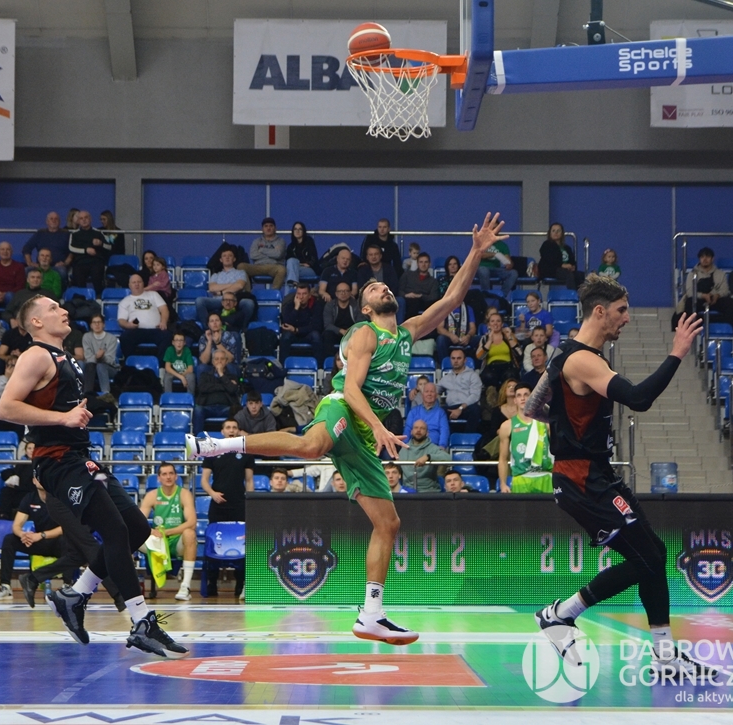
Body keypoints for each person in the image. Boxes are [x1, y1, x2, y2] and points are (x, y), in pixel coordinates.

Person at [188, 212, 508, 644]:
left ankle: (371, 614)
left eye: (385, 286)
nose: (383, 288)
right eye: (374, 289)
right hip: (344, 407)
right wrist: (379, 425)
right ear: (366, 307)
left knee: (389, 523)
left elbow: (452, 299)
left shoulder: (407, 333)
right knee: (312, 445)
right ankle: (219, 445)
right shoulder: (364, 333)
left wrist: (475, 251)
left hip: (364, 434)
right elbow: (353, 389)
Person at [526, 274, 715, 678]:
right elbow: (639, 399)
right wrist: (677, 352)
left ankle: (664, 655)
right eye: (622, 310)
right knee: (648, 557)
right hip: (582, 479)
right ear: (600, 311)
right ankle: (560, 613)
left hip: (594, 474)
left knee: (654, 555)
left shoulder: (566, 354)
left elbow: (532, 408)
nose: (627, 318)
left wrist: (563, 423)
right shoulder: (583, 360)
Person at [0, 294, 189, 658]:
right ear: (35, 322)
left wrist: (78, 413)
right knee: (115, 531)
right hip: (57, 462)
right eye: (53, 308)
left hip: (79, 457)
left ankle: (75, 595)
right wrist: (64, 418)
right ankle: (141, 621)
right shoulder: (36, 354)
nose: (63, 310)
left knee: (138, 529)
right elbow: (6, 408)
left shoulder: (66, 357)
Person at [0, 484, 87, 605]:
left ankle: (67, 586)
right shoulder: (30, 498)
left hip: (58, 541)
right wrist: (23, 535)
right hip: (38, 542)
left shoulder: (61, 496)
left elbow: (68, 526)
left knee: (70, 541)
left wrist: (42, 535)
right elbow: (16, 525)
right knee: (9, 540)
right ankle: (5, 587)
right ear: (34, 481)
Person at [199, 418, 254, 598]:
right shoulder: (212, 451)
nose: (231, 430)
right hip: (218, 506)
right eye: (228, 428)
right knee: (214, 542)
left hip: (239, 505)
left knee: (242, 543)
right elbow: (204, 481)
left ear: (238, 431)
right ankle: (212, 582)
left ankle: (240, 584)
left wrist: (250, 501)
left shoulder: (245, 452)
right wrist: (213, 494)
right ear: (222, 431)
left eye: (234, 428)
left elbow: (249, 481)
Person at [140, 462, 198, 600]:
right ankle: (127, 586)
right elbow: (138, 522)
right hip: (157, 541)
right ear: (158, 478)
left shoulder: (184, 494)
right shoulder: (152, 495)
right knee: (129, 535)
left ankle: (185, 587)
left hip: (176, 541)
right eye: (164, 474)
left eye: (171, 473)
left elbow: (192, 523)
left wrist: (167, 532)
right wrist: (151, 531)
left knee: (190, 534)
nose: (168, 477)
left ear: (176, 476)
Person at [498, 383, 552, 493]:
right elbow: (503, 459)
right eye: (519, 395)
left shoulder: (546, 423)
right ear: (515, 400)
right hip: (521, 478)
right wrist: (503, 484)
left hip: (545, 477)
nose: (522, 398)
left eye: (526, 395)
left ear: (532, 397)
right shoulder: (507, 426)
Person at [117, 274, 172, 360]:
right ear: (129, 285)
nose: (137, 284)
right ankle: (131, 363)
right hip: (136, 331)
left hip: (156, 330)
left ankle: (161, 365)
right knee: (124, 337)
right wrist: (129, 325)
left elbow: (164, 309)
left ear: (143, 283)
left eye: (139, 282)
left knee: (167, 336)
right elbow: (121, 320)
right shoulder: (125, 301)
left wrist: (163, 322)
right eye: (134, 282)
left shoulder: (153, 294)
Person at [684, 247, 733, 328]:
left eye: (708, 256)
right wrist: (703, 295)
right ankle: (692, 329)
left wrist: (717, 295)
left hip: (715, 299)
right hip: (699, 299)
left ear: (712, 259)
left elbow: (725, 290)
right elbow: (689, 292)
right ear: (699, 259)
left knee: (730, 303)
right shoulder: (692, 274)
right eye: (702, 257)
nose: (705, 259)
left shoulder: (720, 273)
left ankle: (728, 329)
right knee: (689, 302)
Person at [196, 249, 254, 327]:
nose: (227, 257)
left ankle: (242, 328)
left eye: (230, 256)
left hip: (235, 299)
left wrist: (221, 292)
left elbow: (239, 286)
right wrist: (232, 285)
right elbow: (212, 288)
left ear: (234, 259)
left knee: (249, 303)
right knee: (199, 301)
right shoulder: (215, 275)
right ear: (221, 260)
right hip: (218, 300)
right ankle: (209, 328)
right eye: (224, 256)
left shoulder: (241, 273)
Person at [194, 348, 241, 433]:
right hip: (208, 408)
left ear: (226, 361)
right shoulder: (205, 375)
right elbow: (202, 388)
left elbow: (232, 389)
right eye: (216, 359)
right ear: (213, 362)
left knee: (236, 410)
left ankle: (234, 437)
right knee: (198, 410)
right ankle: (197, 437)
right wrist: (224, 386)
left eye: (222, 359)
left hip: (226, 408)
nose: (219, 361)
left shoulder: (232, 376)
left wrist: (221, 374)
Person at [436, 349, 482, 432]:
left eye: (459, 358)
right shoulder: (446, 378)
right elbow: (434, 390)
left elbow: (475, 396)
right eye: (453, 358)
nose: (456, 361)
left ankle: (468, 437)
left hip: (467, 407)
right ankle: (447, 437)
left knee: (476, 409)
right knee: (438, 411)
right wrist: (417, 389)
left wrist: (460, 408)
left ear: (465, 360)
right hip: (451, 408)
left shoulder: (473, 375)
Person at [397, 420, 449, 492]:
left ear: (427, 433)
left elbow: (448, 458)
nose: (418, 430)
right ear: (411, 431)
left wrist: (428, 457)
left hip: (429, 491)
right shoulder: (404, 449)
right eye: (416, 428)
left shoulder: (433, 448)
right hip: (407, 491)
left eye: (422, 428)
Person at [68, 210, 113, 293]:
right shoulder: (74, 234)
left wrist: (101, 243)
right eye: (81, 218)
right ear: (78, 221)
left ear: (90, 219)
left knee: (97, 274)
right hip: (80, 262)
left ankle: (98, 296)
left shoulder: (98, 233)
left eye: (86, 217)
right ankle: (82, 296)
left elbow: (109, 247)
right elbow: (71, 248)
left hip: (96, 262)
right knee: (78, 273)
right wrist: (85, 251)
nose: (84, 220)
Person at [475, 312, 521, 391]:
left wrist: (509, 337)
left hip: (508, 366)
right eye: (492, 321)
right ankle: (492, 395)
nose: (495, 323)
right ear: (488, 325)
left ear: (502, 324)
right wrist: (489, 341)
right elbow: (479, 356)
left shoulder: (508, 336)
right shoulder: (485, 338)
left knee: (511, 375)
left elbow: (519, 353)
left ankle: (507, 394)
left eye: (498, 321)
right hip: (491, 368)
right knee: (488, 376)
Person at [239, 216, 287, 289]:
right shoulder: (256, 241)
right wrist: (272, 253)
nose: (268, 228)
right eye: (266, 226)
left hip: (274, 266)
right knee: (241, 266)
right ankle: (248, 293)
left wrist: (261, 250)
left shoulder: (281, 241)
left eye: (271, 226)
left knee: (282, 270)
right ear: (262, 229)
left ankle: (273, 293)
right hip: (258, 266)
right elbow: (253, 255)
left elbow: (278, 254)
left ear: (275, 228)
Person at [279, 284, 322, 362]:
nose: (301, 297)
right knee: (286, 336)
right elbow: (286, 324)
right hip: (293, 335)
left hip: (308, 335)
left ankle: (319, 367)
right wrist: (296, 308)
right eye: (299, 294)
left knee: (316, 335)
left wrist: (296, 330)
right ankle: (282, 365)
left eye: (304, 294)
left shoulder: (316, 305)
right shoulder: (289, 305)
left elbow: (316, 326)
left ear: (309, 295)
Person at [322, 281, 362, 361]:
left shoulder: (357, 305)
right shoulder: (330, 305)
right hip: (336, 333)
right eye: (340, 291)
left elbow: (361, 322)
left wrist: (350, 331)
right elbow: (327, 325)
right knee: (327, 334)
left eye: (346, 291)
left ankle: (357, 361)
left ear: (350, 293)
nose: (343, 293)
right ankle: (330, 361)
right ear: (336, 294)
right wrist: (340, 331)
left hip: (352, 333)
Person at [81, 313, 119, 395]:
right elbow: (88, 358)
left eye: (99, 322)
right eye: (94, 322)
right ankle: (87, 394)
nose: (97, 325)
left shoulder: (112, 338)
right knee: (89, 365)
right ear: (91, 325)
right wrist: (97, 357)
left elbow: (111, 360)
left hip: (109, 368)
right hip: (91, 368)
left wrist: (102, 357)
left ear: (104, 324)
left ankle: (106, 394)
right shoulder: (86, 337)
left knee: (100, 366)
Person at [404, 381, 449, 449]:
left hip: (433, 448)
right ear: (422, 395)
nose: (429, 394)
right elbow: (407, 430)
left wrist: (442, 447)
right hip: (415, 447)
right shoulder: (413, 412)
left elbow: (444, 431)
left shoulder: (441, 413)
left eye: (432, 391)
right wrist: (405, 446)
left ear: (436, 395)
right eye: (427, 391)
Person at [196, 312, 242, 377]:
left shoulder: (228, 336)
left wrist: (218, 343)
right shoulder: (203, 337)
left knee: (230, 366)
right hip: (211, 367)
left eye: (217, 320)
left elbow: (230, 359)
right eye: (212, 321)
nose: (215, 323)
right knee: (201, 368)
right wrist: (209, 342)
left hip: (226, 366)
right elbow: (204, 361)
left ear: (221, 323)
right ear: (208, 325)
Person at [537, 223, 581, 289]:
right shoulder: (546, 245)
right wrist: (562, 265)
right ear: (550, 233)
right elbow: (549, 259)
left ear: (562, 233)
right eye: (553, 231)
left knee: (582, 276)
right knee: (569, 275)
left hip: (566, 270)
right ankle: (572, 294)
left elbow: (572, 260)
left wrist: (573, 266)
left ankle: (583, 294)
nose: (556, 233)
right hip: (551, 270)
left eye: (558, 231)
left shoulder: (567, 248)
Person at [398, 251, 440, 318]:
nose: (423, 264)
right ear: (417, 263)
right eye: (421, 262)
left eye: (426, 262)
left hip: (423, 302)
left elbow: (434, 296)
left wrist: (420, 296)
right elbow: (399, 290)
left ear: (429, 264)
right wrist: (406, 295)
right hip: (408, 300)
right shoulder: (407, 275)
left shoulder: (433, 281)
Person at [286, 221, 320, 286]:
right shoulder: (290, 247)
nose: (297, 231)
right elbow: (289, 262)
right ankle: (293, 285)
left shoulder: (309, 241)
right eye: (295, 229)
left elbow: (314, 258)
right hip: (296, 269)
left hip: (309, 269)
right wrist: (300, 264)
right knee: (291, 264)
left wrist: (309, 263)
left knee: (290, 273)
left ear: (303, 231)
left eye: (300, 229)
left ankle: (291, 290)